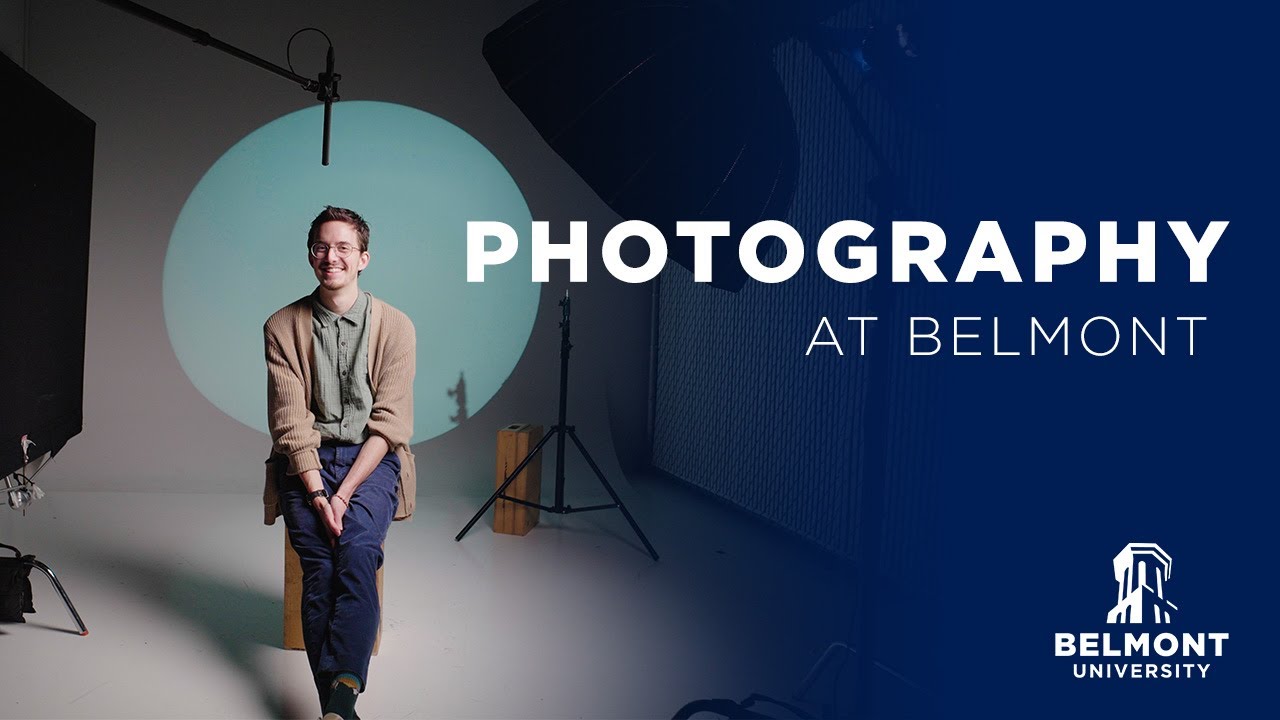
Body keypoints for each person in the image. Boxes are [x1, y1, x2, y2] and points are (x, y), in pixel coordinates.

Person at [262, 206, 417, 720]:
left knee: (357, 552)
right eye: (322, 247)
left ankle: (339, 697)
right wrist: (315, 492)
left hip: (371, 463)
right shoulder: (282, 325)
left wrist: (345, 493)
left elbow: (389, 425)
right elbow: (290, 422)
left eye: (343, 248)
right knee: (320, 567)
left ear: (363, 258)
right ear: (311, 256)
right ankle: (339, 707)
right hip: (304, 462)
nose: (332, 257)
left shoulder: (395, 326)